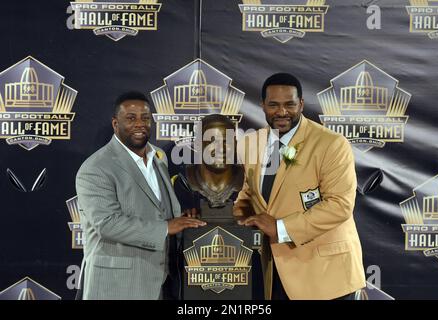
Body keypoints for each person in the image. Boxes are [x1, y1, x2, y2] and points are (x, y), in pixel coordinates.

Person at [234, 73, 366, 300]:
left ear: (301, 104)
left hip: (327, 276)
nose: (282, 112)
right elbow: (248, 193)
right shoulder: (250, 143)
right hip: (274, 275)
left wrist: (281, 228)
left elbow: (340, 205)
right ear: (263, 106)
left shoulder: (331, 144)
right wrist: (221, 219)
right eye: (273, 105)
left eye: (290, 104)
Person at [75, 91, 205, 300]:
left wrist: (182, 219)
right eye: (131, 118)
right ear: (115, 124)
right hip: (117, 287)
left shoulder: (158, 158)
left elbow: (159, 209)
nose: (140, 124)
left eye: (145, 118)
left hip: (161, 284)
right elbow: (107, 224)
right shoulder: (96, 168)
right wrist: (166, 227)